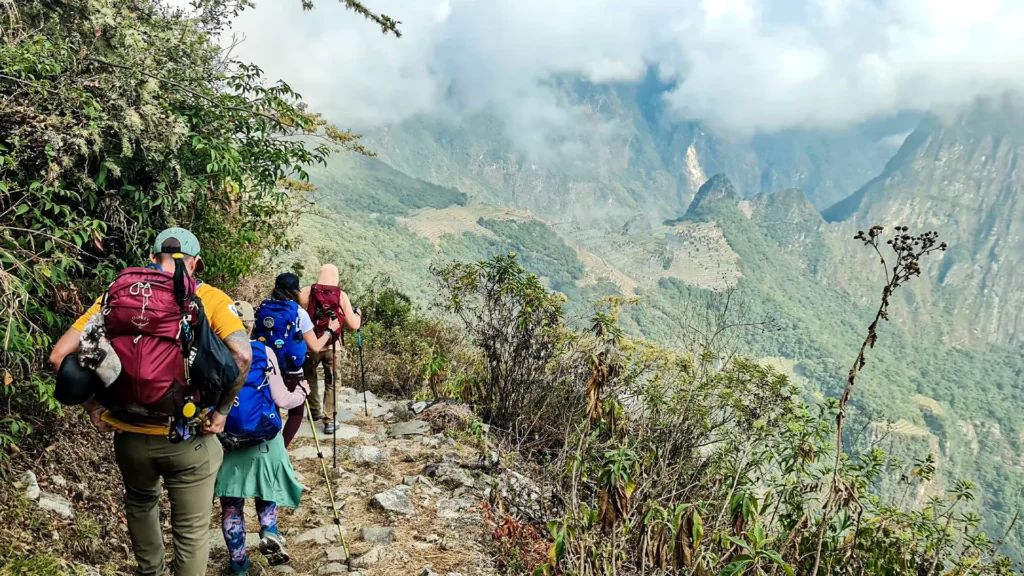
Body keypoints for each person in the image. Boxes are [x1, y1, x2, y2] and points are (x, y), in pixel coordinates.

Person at [48, 228, 253, 576]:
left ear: (151, 258)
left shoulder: (115, 296)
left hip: (130, 438)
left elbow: (59, 358)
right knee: (189, 531)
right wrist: (220, 412)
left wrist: (94, 407)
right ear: (195, 262)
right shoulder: (209, 297)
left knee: (142, 504)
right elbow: (243, 356)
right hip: (189, 438)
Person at [216, 301, 307, 576]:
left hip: (225, 443)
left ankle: (239, 564)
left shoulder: (212, 353)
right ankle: (269, 530)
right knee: (266, 490)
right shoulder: (262, 351)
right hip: (264, 440)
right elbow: (281, 398)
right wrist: (302, 393)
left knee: (232, 506)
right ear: (253, 324)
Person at [255, 272, 338, 447]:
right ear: (295, 291)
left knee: (273, 408)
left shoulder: (263, 308)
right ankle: (282, 449)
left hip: (267, 367)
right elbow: (315, 346)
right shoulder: (299, 313)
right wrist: (330, 331)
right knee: (296, 412)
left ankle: (270, 446)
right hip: (291, 370)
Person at [299, 264, 361, 434]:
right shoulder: (341, 295)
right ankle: (330, 420)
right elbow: (354, 325)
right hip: (333, 347)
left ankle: (314, 412)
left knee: (310, 378)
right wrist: (358, 315)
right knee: (332, 381)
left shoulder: (307, 292)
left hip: (310, 347)